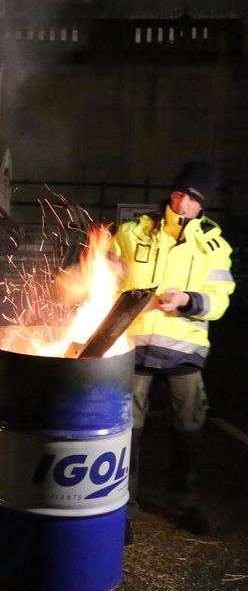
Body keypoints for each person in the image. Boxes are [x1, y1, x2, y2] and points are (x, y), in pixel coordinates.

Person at [110, 161, 235, 536]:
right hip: (136, 344)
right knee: (127, 430)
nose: (183, 204)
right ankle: (122, 507)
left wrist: (188, 299)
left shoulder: (213, 245)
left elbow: (221, 298)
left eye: (193, 199)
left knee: (189, 427)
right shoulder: (134, 232)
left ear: (203, 205)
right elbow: (106, 273)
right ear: (171, 193)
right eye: (180, 194)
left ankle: (183, 501)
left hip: (185, 349)